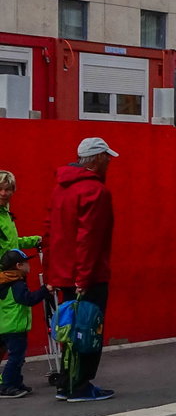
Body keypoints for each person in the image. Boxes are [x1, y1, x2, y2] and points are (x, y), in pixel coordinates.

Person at [43, 137, 119, 402]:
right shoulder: (96, 192)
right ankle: (80, 385)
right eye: (106, 157)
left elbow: (49, 232)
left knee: (68, 331)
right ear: (96, 159)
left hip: (63, 274)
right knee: (88, 329)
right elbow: (89, 239)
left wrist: (51, 273)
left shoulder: (60, 188)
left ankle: (66, 384)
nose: (109, 161)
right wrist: (84, 278)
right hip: (87, 276)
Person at [0, 248, 51, 398]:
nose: (29, 265)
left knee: (17, 357)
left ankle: (16, 382)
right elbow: (28, 299)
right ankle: (7, 385)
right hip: (15, 326)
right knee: (16, 357)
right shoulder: (16, 283)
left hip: (5, 325)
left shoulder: (4, 280)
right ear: (18, 266)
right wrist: (45, 290)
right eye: (25, 262)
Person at [0, 169, 41, 257]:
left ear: (13, 191)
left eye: (7, 189)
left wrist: (34, 241)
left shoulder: (5, 213)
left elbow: (9, 243)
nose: (3, 193)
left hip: (10, 268)